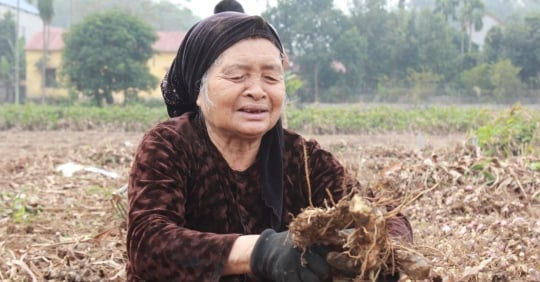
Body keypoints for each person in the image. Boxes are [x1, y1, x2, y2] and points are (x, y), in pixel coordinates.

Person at [126, 12, 413, 282]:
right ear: (198, 89)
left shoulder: (301, 157)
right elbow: (148, 243)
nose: (257, 90)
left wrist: (378, 250)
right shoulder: (169, 146)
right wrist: (262, 252)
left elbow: (385, 215)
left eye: (271, 77)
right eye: (237, 76)